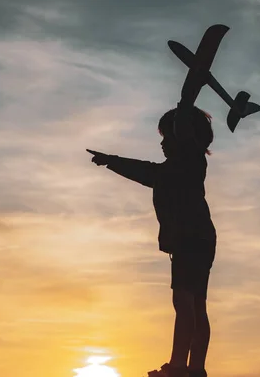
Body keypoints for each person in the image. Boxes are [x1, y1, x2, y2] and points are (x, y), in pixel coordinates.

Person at [86, 103, 217, 377]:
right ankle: (194, 369)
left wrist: (188, 94)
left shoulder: (190, 161)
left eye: (167, 137)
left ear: (182, 137)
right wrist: (111, 160)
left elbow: (150, 170)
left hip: (190, 238)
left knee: (185, 302)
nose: (162, 144)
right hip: (198, 238)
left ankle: (181, 367)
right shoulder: (170, 171)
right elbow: (146, 172)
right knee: (195, 304)